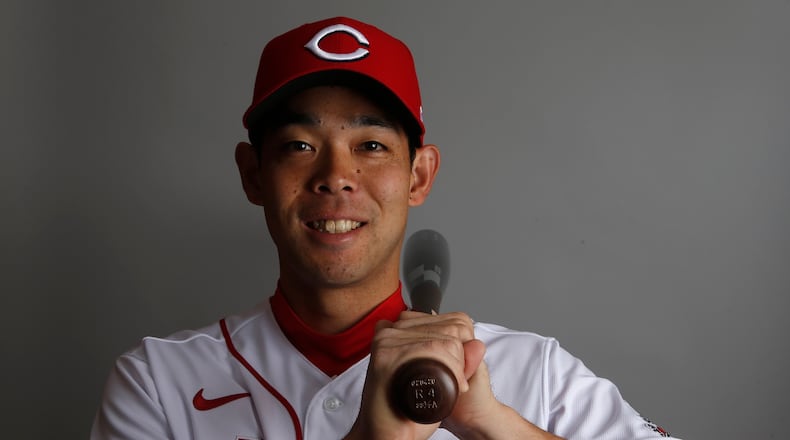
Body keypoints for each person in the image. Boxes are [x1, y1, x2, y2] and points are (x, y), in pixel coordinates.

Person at [91, 16, 679, 440]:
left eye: (370, 145)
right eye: (299, 145)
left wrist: (494, 425)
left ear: (419, 176)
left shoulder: (533, 372)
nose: (335, 176)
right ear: (253, 175)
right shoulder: (159, 383)